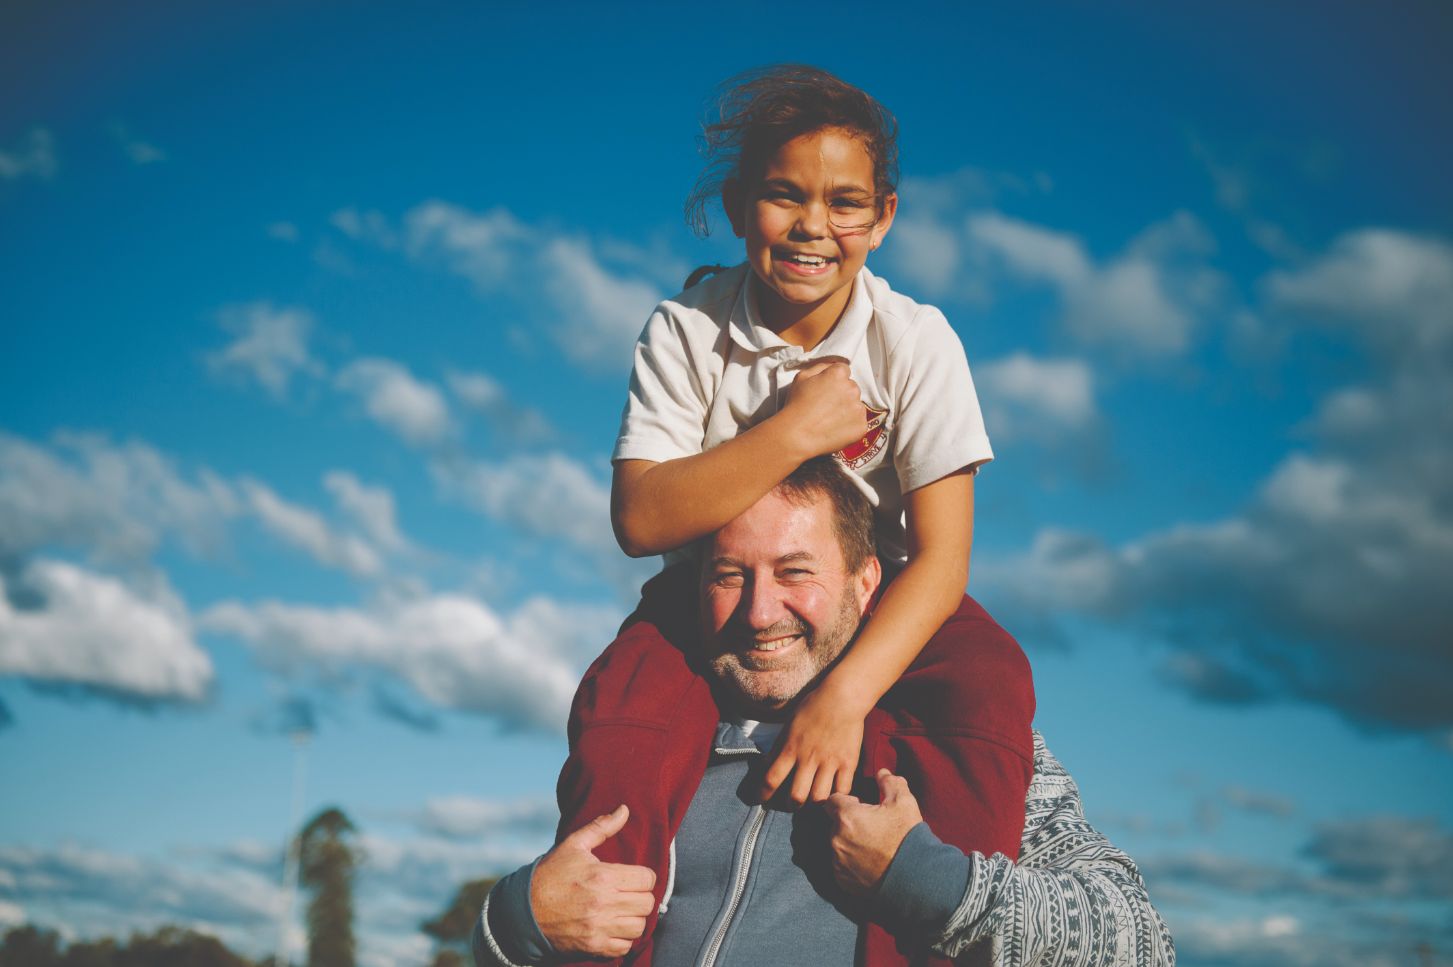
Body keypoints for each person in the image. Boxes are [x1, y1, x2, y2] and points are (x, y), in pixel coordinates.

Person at [565, 64, 1038, 961]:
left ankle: (942, 935)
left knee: (990, 671)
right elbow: (640, 519)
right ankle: (601, 940)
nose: (813, 226)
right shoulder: (686, 328)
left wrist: (845, 698)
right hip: (706, 592)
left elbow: (941, 561)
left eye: (845, 203)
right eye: (783, 196)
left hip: (872, 593)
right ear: (741, 205)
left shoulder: (917, 340)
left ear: (884, 216)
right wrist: (792, 431)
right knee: (621, 710)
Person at [473, 460, 1175, 966]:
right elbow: (525, 943)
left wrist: (923, 877)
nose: (758, 611)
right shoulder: (646, 745)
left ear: (865, 582)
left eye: (794, 571)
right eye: (729, 575)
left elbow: (1143, 947)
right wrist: (513, 922)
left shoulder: (954, 737)